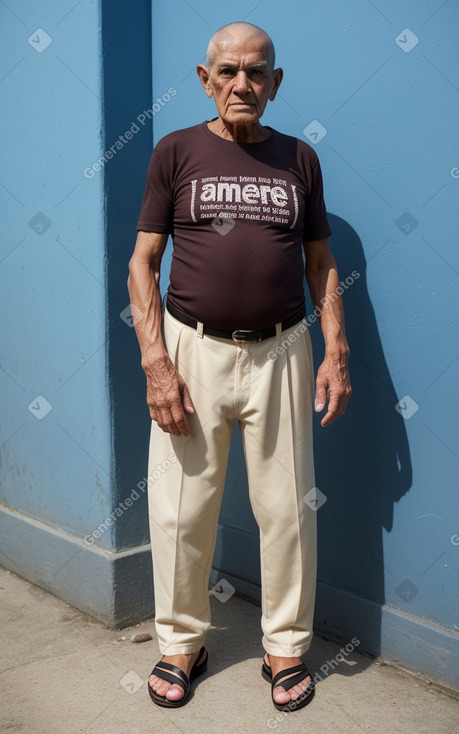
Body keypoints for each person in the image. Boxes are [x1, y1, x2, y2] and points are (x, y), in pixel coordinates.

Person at [127, 21, 351, 711]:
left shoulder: (298, 160)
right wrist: (156, 363)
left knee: (285, 509)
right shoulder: (176, 152)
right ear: (204, 79)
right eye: (226, 72)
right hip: (191, 349)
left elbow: (320, 263)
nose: (241, 84)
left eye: (256, 73)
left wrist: (334, 349)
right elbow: (142, 263)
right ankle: (181, 643)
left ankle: (283, 647)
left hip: (283, 349)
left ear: (275, 83)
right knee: (179, 508)